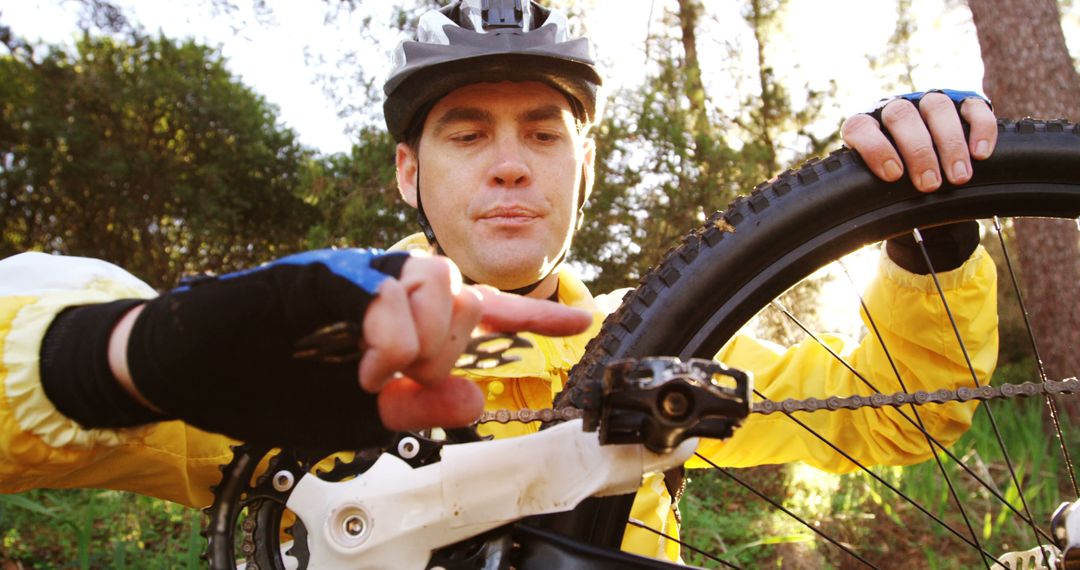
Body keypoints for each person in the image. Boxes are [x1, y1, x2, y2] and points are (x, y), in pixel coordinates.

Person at [0, 0, 999, 563]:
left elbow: (895, 418)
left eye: (542, 131)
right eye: (468, 134)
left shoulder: (668, 344)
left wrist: (934, 240)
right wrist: (114, 354)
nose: (510, 164)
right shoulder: (302, 360)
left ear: (583, 163)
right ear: (408, 171)